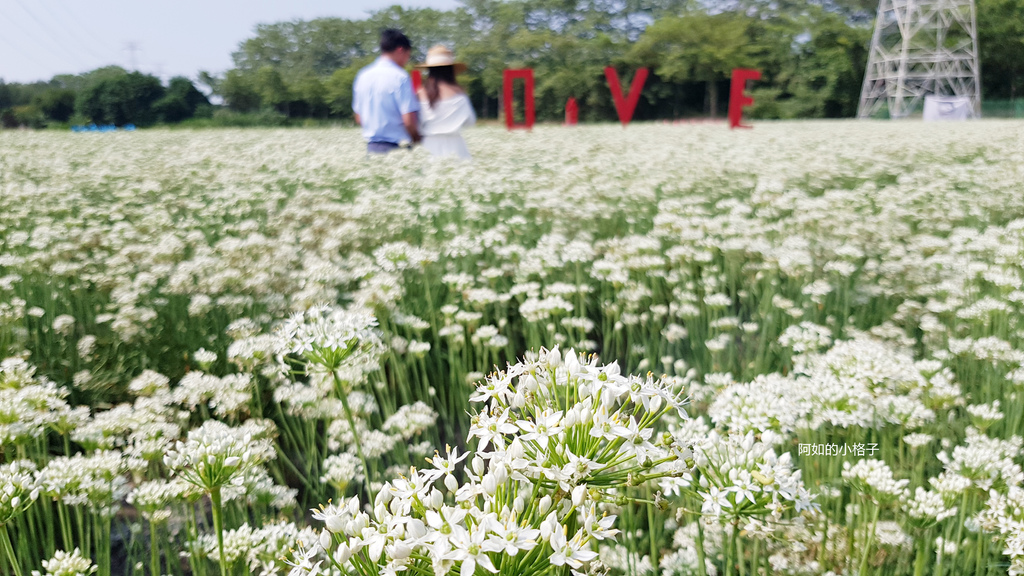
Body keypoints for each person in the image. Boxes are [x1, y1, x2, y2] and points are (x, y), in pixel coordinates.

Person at [352, 29, 421, 154]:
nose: (407, 60)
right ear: (400, 50)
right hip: (397, 147)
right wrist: (417, 139)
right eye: (407, 55)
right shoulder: (401, 77)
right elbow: (409, 120)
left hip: (372, 147)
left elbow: (359, 117)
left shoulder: (362, 75)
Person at [415, 45, 476, 160]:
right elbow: (470, 121)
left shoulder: (422, 92)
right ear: (451, 70)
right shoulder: (460, 94)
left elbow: (419, 121)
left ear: (430, 71)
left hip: (429, 146)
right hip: (456, 146)